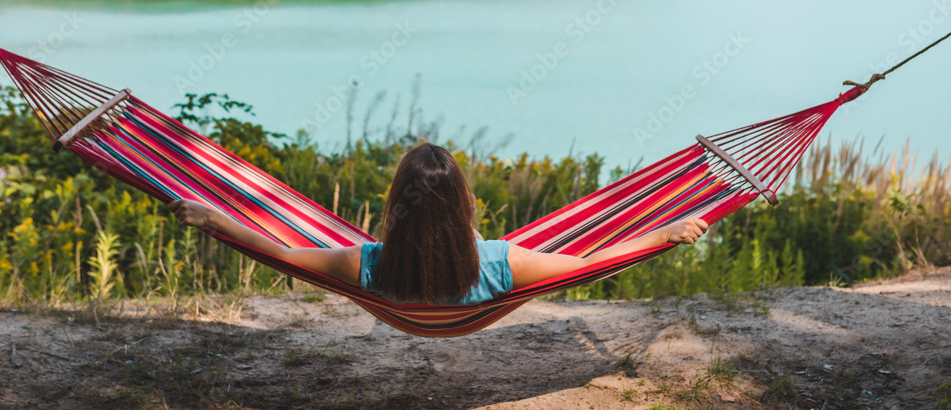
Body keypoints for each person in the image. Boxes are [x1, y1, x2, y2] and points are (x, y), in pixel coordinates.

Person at [169, 143, 708, 304]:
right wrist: (660, 234)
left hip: (408, 272)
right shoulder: (502, 262)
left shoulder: (367, 262)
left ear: (396, 203)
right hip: (469, 266)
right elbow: (586, 266)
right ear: (461, 203)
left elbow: (282, 253)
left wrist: (215, 217)